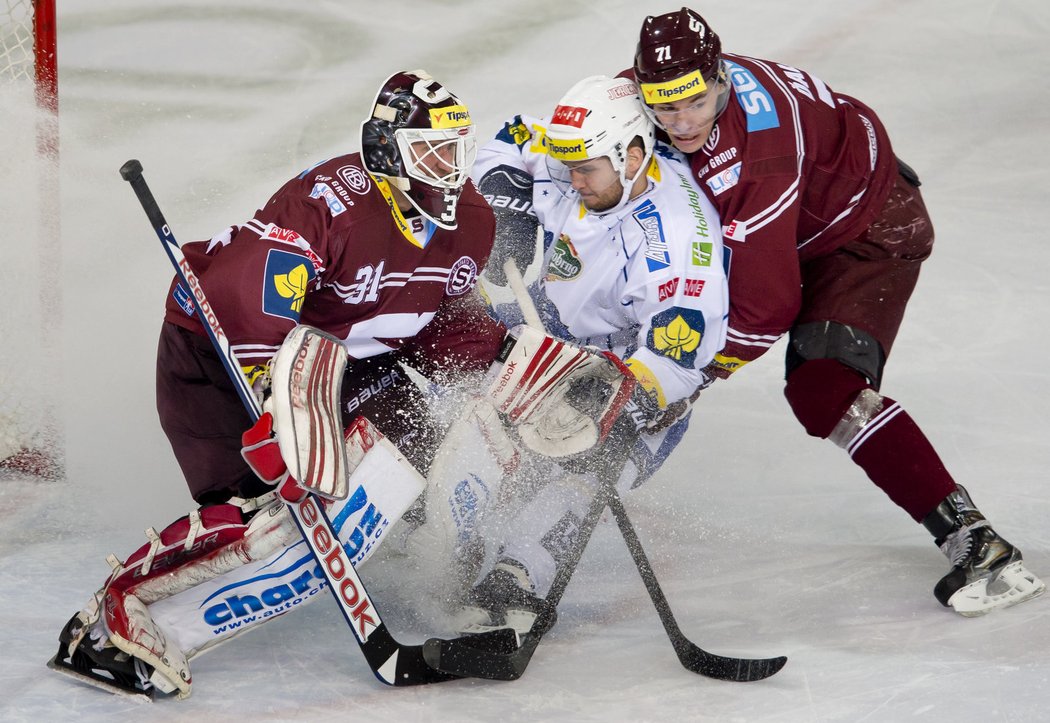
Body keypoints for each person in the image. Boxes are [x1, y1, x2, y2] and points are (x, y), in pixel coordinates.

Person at [50, 69, 507, 699]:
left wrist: (502, 353)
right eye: (433, 153)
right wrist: (275, 412)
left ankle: (391, 546)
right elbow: (247, 309)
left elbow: (445, 323)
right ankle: (108, 625)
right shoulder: (325, 204)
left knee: (414, 444)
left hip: (337, 361)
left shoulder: (472, 222)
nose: (450, 171)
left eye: (456, 152)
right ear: (386, 153)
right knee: (261, 518)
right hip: (217, 356)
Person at [627, 7, 1043, 615]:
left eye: (693, 102)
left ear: (721, 78)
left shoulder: (759, 157)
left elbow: (767, 309)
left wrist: (687, 375)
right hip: (803, 215)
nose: (679, 122)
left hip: (867, 231)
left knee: (824, 388)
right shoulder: (652, 93)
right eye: (663, 105)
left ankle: (975, 539)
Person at [443, 74, 729, 634]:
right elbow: (512, 138)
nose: (571, 180)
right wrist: (504, 202)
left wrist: (614, 396)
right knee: (443, 359)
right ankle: (420, 514)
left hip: (626, 371)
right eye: (567, 166)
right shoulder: (586, 151)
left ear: (633, 157)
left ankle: (517, 574)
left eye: (586, 171)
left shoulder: (678, 244)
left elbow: (677, 363)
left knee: (584, 474)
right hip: (545, 327)